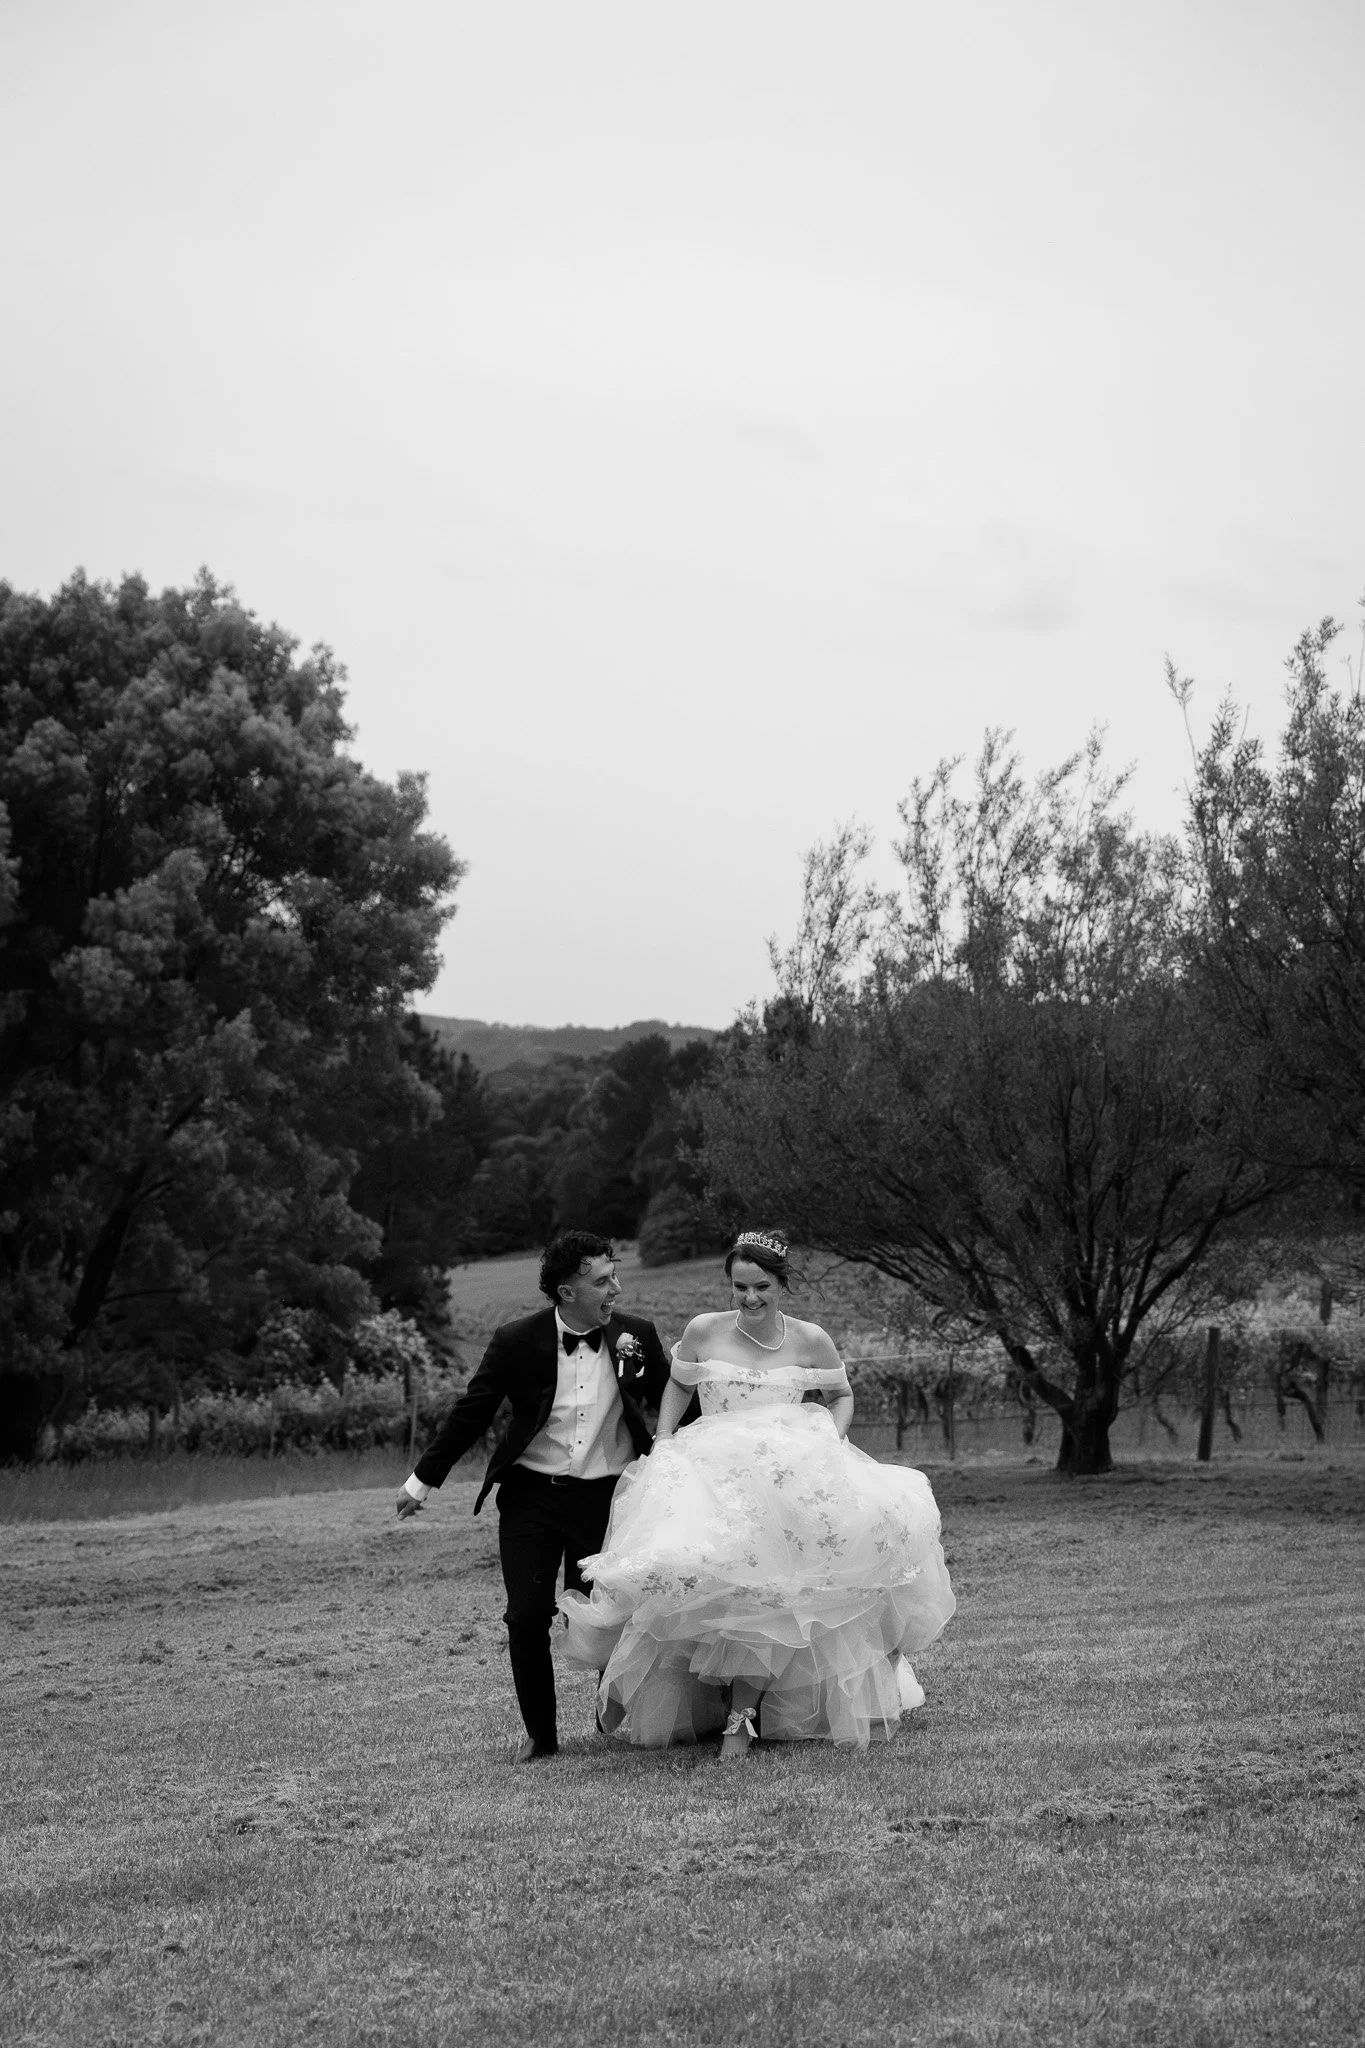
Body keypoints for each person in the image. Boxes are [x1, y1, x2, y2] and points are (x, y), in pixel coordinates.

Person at [559, 1229, 955, 1754]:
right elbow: (679, 1383)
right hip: (713, 1468)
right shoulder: (703, 1331)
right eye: (740, 1287)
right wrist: (664, 1440)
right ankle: (650, 1699)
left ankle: (742, 1720)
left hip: (788, 1472)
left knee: (781, 1588)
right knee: (679, 1574)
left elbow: (841, 1396)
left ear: (781, 1286)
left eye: (761, 1287)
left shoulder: (810, 1339)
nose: (750, 1299)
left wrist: (826, 1444)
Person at [395, 1231, 670, 1762]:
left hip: (608, 1500)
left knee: (602, 1614)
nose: (616, 1287)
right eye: (602, 1280)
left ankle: (607, 1712)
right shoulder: (516, 1340)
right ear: (567, 1293)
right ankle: (541, 1737)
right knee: (526, 1616)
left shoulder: (637, 1336)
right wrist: (422, 1481)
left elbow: (675, 1407)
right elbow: (472, 1412)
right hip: (531, 1500)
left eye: (614, 1275)